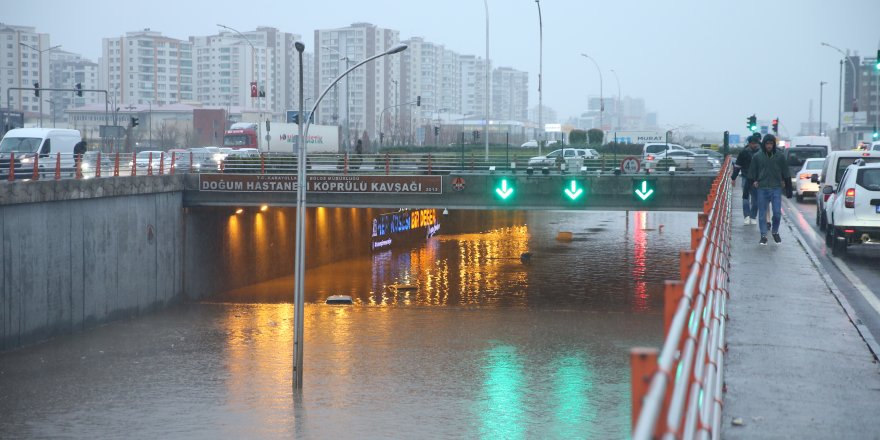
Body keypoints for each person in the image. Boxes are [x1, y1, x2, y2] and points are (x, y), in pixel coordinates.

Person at [747, 134, 792, 245]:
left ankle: (775, 231)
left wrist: (788, 188)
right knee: (762, 214)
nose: (769, 146)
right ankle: (763, 235)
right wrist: (753, 182)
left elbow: (786, 172)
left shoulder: (780, 156)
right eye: (767, 143)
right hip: (762, 188)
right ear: (764, 144)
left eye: (771, 144)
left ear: (774, 144)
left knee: (777, 213)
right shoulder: (757, 157)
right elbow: (752, 172)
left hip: (776, 187)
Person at [731, 133, 761, 224]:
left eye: (755, 143)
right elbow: (737, 166)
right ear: (749, 143)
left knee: (756, 199)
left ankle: (753, 216)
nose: (754, 145)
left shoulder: (761, 153)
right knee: (745, 198)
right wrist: (733, 178)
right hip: (746, 177)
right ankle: (747, 216)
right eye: (752, 143)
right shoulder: (743, 153)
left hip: (757, 179)